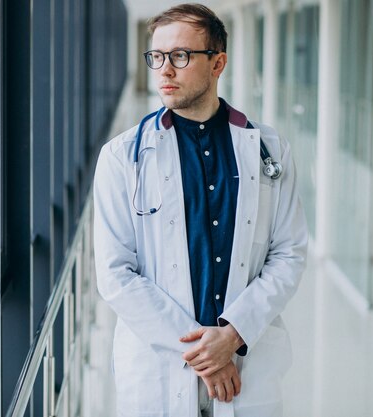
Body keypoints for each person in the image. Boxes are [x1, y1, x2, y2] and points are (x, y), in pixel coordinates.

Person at [93, 4, 308, 417]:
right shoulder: (122, 158)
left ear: (218, 63)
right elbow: (115, 274)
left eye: (180, 56)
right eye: (156, 57)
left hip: (249, 368)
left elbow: (289, 254)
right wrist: (207, 354)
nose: (164, 70)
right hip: (159, 371)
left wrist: (234, 335)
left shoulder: (269, 150)